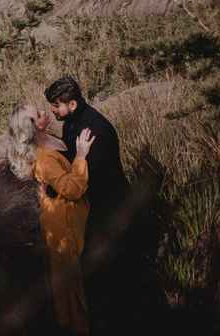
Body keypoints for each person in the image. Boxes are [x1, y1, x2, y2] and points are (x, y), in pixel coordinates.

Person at [44, 75, 131, 333]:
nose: (52, 110)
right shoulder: (71, 122)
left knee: (109, 266)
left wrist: (58, 186)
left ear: (72, 104)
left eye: (56, 105)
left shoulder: (94, 130)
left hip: (110, 205)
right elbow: (73, 158)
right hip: (94, 202)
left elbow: (90, 177)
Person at [7, 104, 95, 335]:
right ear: (33, 128)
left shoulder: (48, 139)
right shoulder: (44, 159)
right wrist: (81, 156)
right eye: (39, 115)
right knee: (73, 287)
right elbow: (72, 189)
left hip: (68, 213)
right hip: (63, 224)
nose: (46, 112)